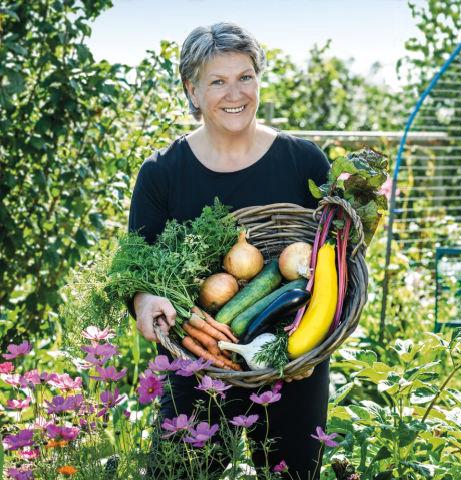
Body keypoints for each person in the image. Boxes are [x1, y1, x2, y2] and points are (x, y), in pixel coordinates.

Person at [128, 22, 331, 479]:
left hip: (293, 359)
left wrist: (309, 347)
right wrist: (144, 301)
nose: (234, 92)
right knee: (181, 472)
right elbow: (137, 268)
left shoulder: (305, 162)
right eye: (217, 81)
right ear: (192, 90)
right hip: (197, 357)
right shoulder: (162, 172)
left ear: (259, 79)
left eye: (245, 76)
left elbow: (338, 265)